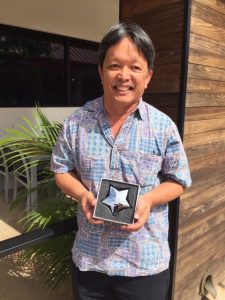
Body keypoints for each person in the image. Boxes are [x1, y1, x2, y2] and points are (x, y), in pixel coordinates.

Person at [51, 21, 192, 300]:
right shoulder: (77, 123)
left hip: (144, 263)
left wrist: (149, 200)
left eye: (135, 67)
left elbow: (179, 180)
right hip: (90, 261)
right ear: (101, 71)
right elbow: (61, 169)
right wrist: (82, 194)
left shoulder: (163, 127)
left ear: (148, 76)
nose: (123, 75)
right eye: (115, 65)